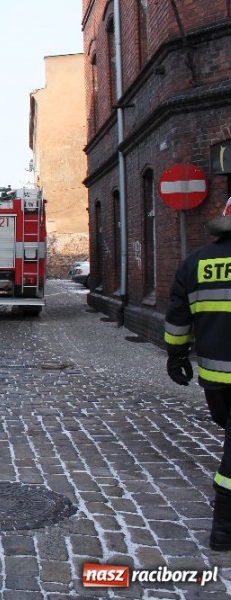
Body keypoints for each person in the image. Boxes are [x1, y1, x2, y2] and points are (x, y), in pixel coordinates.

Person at [164, 196, 231, 552]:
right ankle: (223, 528)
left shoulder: (196, 263)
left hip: (216, 379)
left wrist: (176, 357)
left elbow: (178, 318)